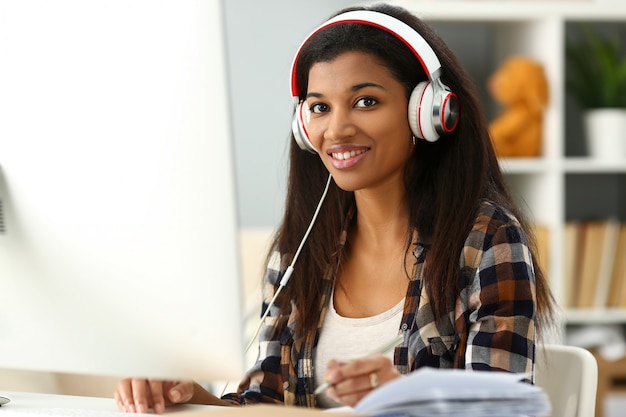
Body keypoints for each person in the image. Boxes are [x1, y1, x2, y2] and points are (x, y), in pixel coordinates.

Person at [114, 3, 557, 413]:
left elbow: (503, 408)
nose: (337, 129)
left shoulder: (487, 241)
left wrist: (406, 401)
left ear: (429, 110)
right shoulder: (299, 250)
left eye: (366, 101)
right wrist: (190, 396)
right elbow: (266, 403)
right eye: (320, 107)